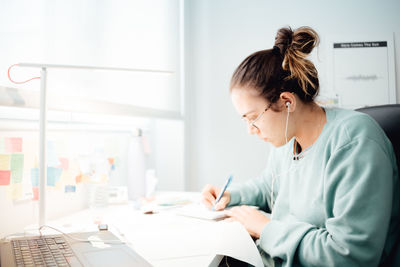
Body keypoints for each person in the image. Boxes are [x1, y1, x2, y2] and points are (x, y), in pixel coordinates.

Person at [201, 26, 400, 267]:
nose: (250, 130)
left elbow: (350, 255)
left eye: (253, 118)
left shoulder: (354, 141)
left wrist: (265, 228)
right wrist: (231, 196)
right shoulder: (287, 139)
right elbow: (269, 187)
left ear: (287, 102)